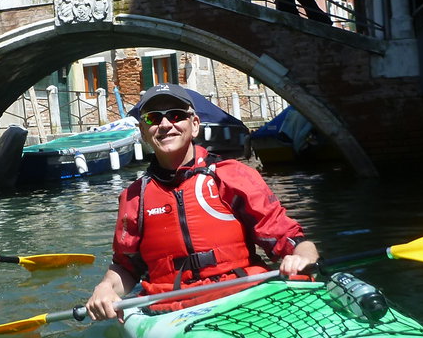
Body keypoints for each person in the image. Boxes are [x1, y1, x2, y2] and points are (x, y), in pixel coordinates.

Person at [86, 85, 318, 320]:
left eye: (176, 115)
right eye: (153, 118)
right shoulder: (134, 197)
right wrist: (105, 287)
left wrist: (303, 256)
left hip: (243, 294)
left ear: (194, 124)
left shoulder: (232, 176)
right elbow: (125, 267)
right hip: (169, 312)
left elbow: (289, 239)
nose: (165, 125)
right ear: (143, 132)